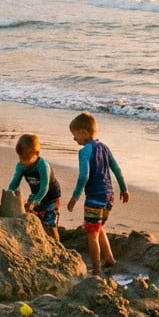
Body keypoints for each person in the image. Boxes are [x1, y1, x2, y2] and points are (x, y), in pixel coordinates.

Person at [65, 112, 129, 276]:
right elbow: (116, 169)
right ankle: (109, 259)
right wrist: (124, 188)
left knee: (92, 234)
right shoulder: (104, 147)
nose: (74, 139)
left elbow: (84, 176)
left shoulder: (85, 151)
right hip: (109, 196)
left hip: (94, 197)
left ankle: (96, 268)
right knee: (100, 228)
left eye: (75, 135)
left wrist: (75, 197)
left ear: (84, 133)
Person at [6, 133, 62, 241]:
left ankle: (56, 243)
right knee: (31, 215)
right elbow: (14, 183)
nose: (23, 161)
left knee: (49, 222)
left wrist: (35, 201)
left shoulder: (43, 166)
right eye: (21, 157)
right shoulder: (21, 165)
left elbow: (44, 187)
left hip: (50, 196)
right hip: (36, 193)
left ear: (36, 154)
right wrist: (9, 194)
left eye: (26, 158)